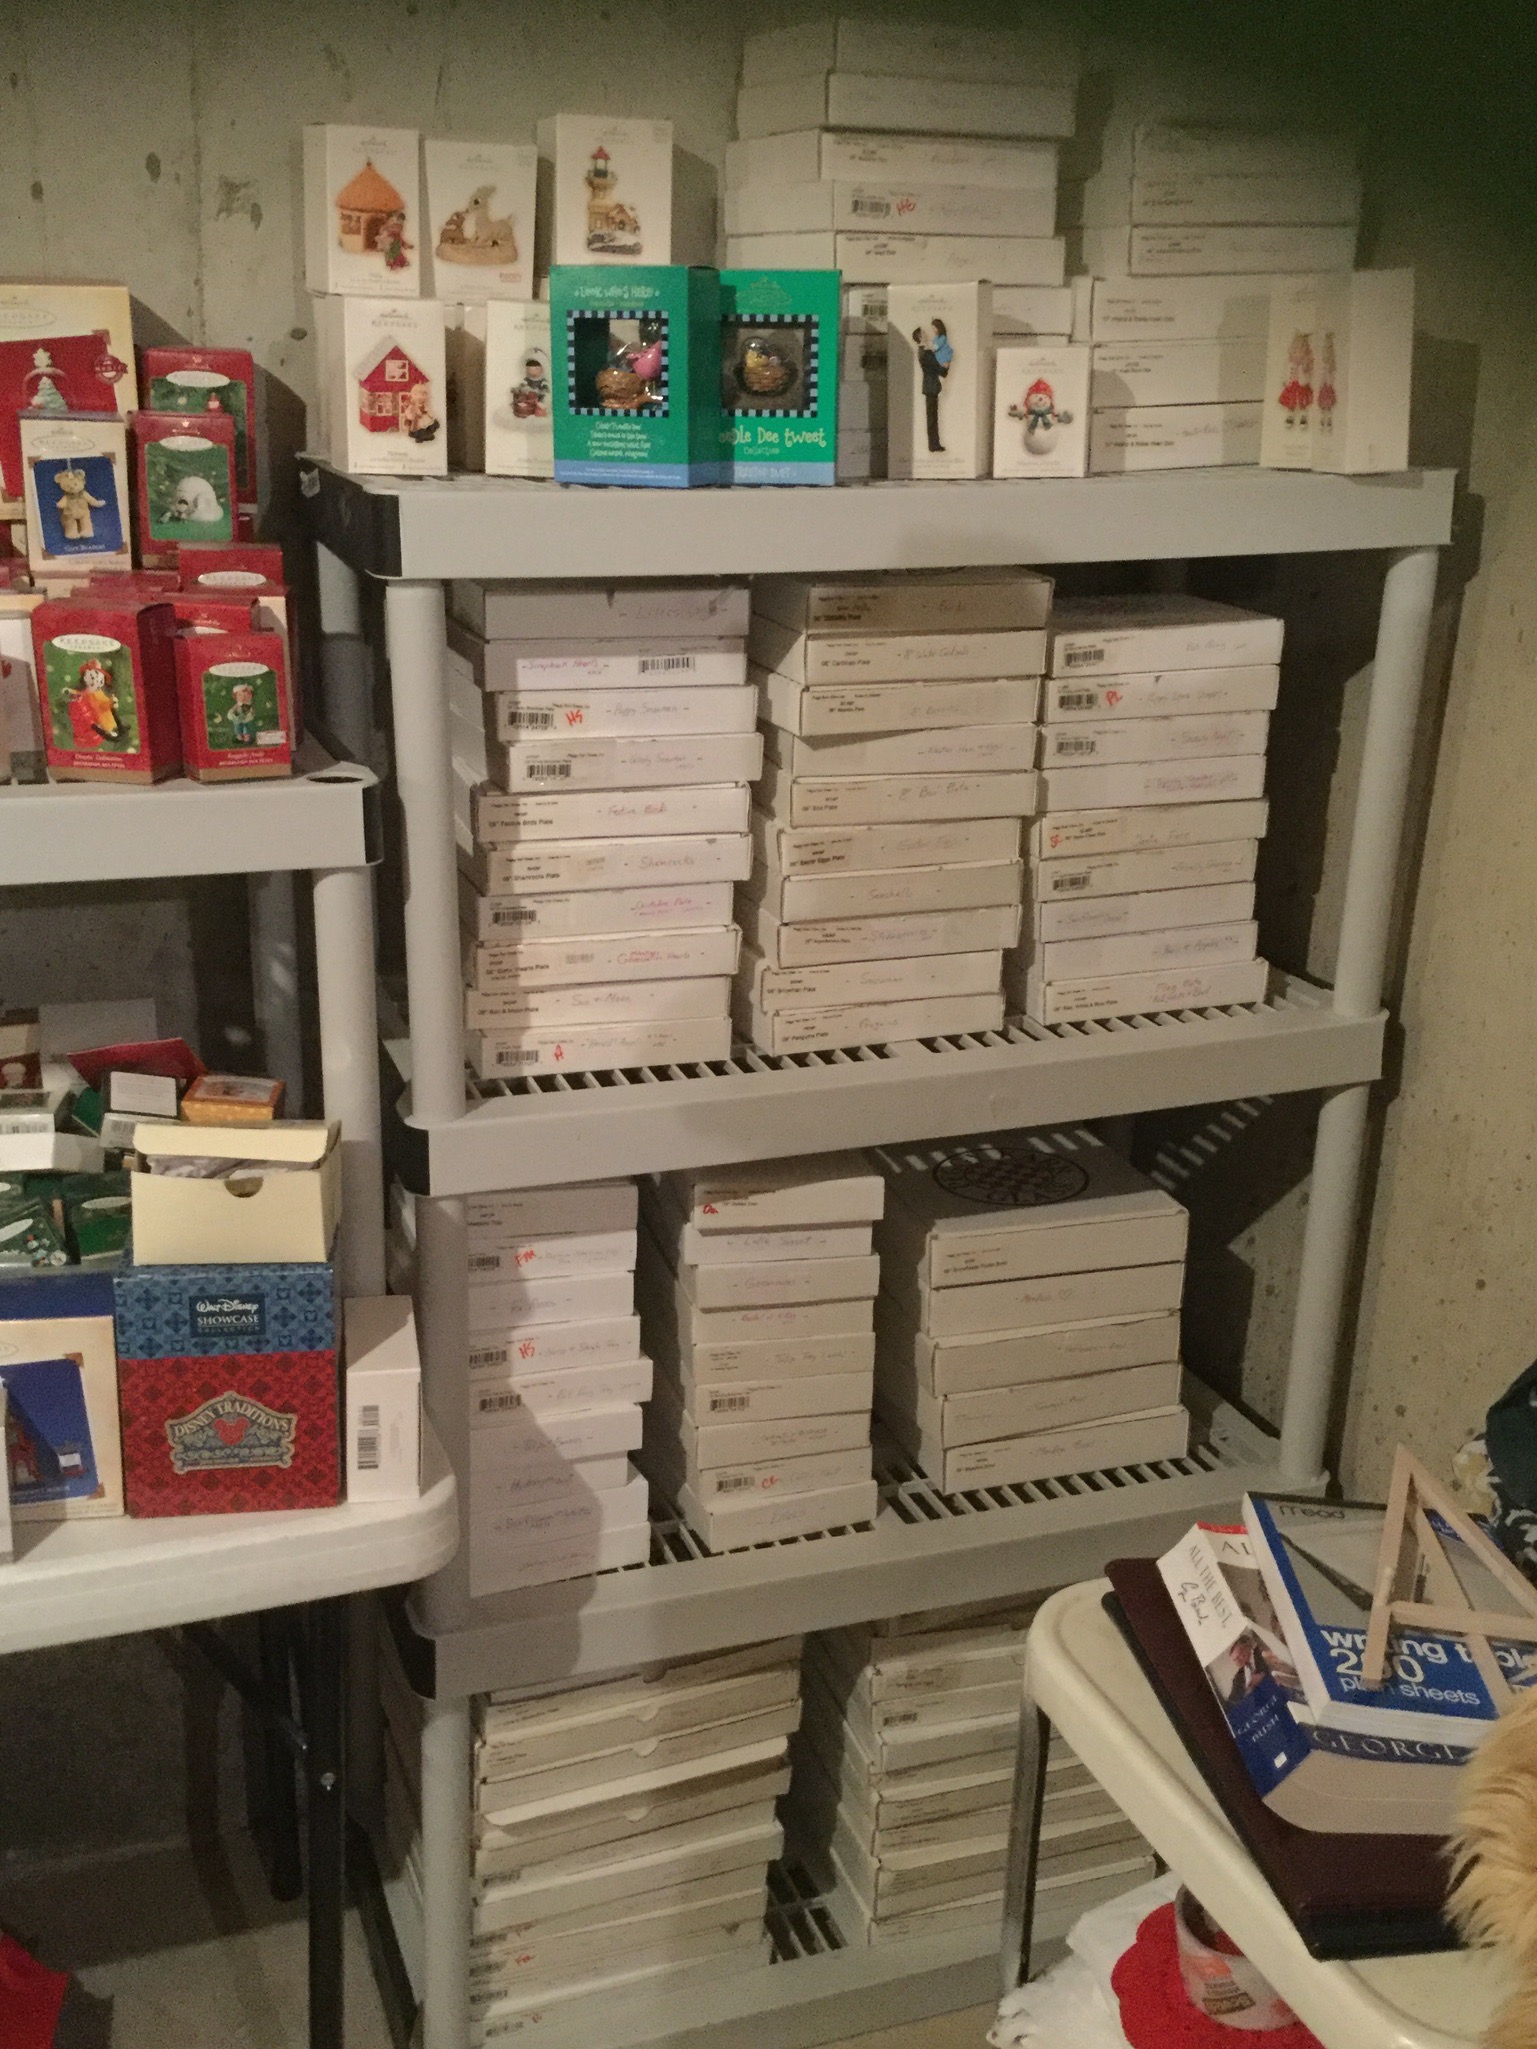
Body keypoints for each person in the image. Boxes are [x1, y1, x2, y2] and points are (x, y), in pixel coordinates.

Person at [914, 326, 947, 453]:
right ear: (920, 337)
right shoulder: (926, 352)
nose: (926, 334)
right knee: (932, 418)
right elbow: (937, 368)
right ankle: (934, 445)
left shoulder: (923, 351)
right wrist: (945, 368)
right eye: (923, 333)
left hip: (930, 386)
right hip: (931, 386)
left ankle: (934, 444)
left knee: (932, 417)